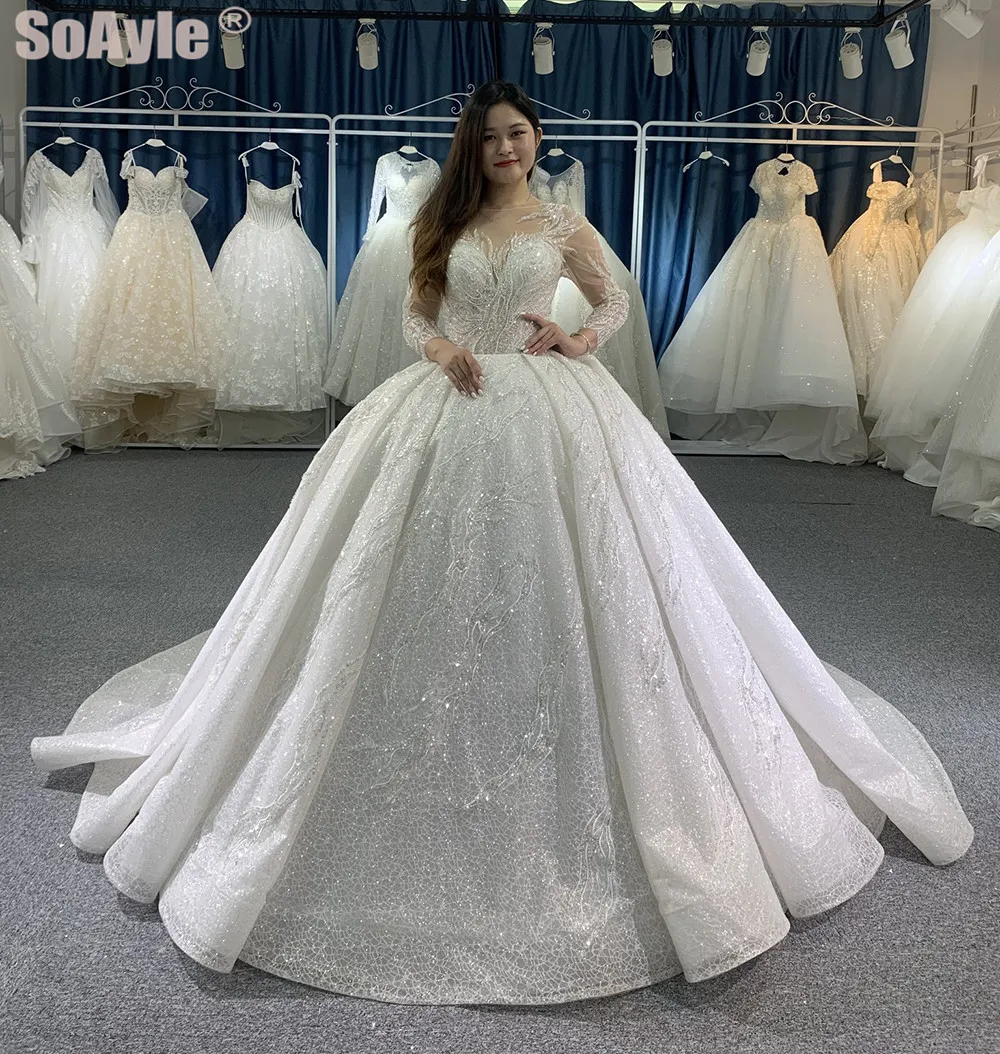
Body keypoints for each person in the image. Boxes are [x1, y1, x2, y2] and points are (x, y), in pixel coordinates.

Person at [31, 81, 972, 1006]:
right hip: (446, 399)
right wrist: (439, 348)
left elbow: (613, 299)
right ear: (471, 148)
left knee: (589, 578)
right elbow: (414, 316)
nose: (507, 149)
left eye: (518, 134)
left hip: (549, 402)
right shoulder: (440, 222)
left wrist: (578, 340)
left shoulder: (560, 224)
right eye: (490, 138)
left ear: (535, 139)